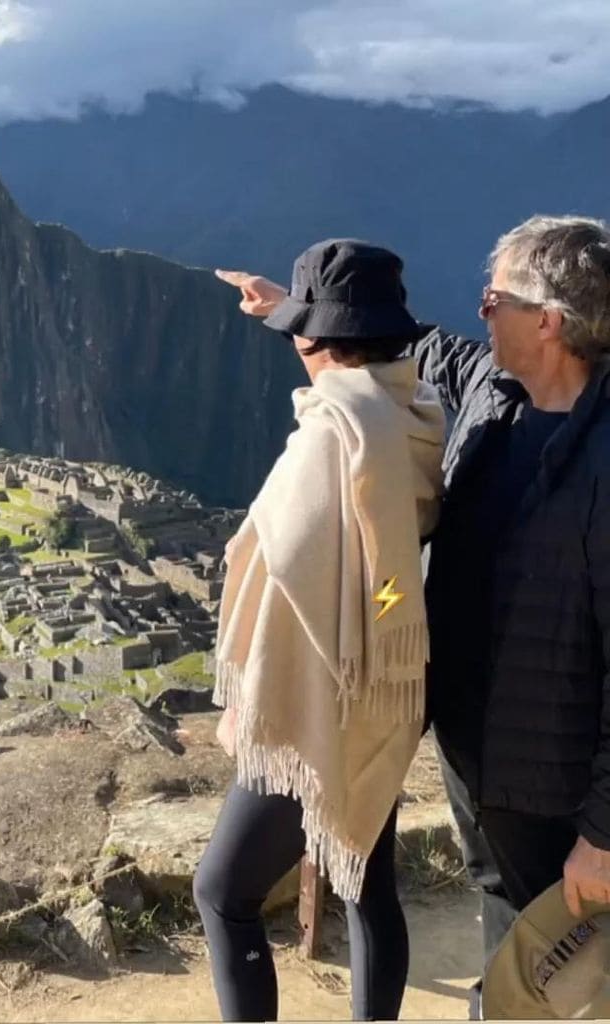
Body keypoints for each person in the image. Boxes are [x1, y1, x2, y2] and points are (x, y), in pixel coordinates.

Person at [219, 215, 610, 1019]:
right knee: (509, 954)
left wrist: (604, 833)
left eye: (495, 297)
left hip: (561, 777)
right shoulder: (490, 394)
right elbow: (394, 341)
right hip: (476, 755)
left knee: (566, 972)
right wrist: (293, 307)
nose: (480, 309)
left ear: (549, 322)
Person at [194, 238, 446, 1022]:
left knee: (224, 892)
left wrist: (253, 703)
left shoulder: (331, 438)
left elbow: (285, 574)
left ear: (317, 343)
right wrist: (288, 306)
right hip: (392, 681)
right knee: (365, 876)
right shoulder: (417, 416)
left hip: (316, 693)